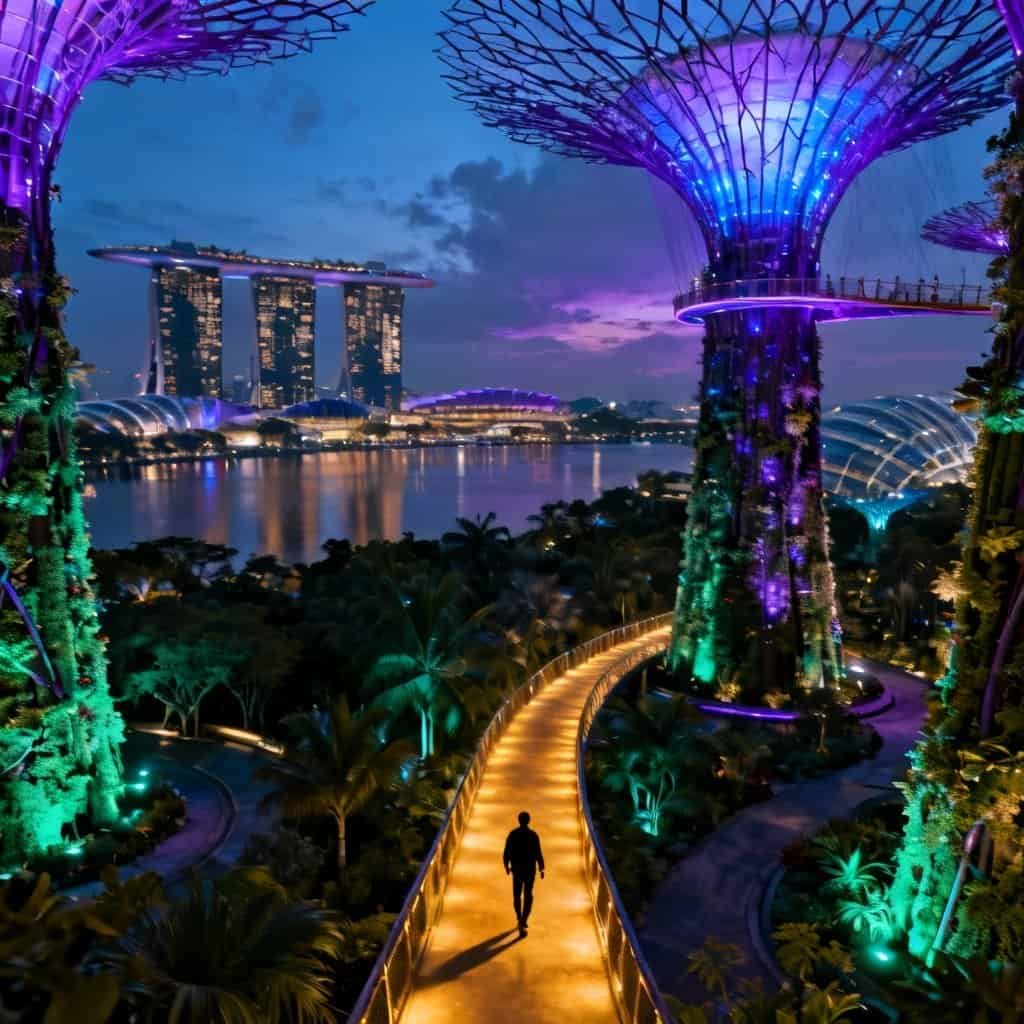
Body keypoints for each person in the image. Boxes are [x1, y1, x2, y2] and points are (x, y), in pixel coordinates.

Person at [503, 810, 545, 937]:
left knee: (517, 895)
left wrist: (506, 866)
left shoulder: (513, 834)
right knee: (528, 894)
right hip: (529, 870)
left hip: (517, 870)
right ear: (529, 821)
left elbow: (506, 852)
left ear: (519, 820)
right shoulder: (533, 835)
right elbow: (538, 853)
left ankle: (519, 917)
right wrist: (541, 868)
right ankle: (524, 919)